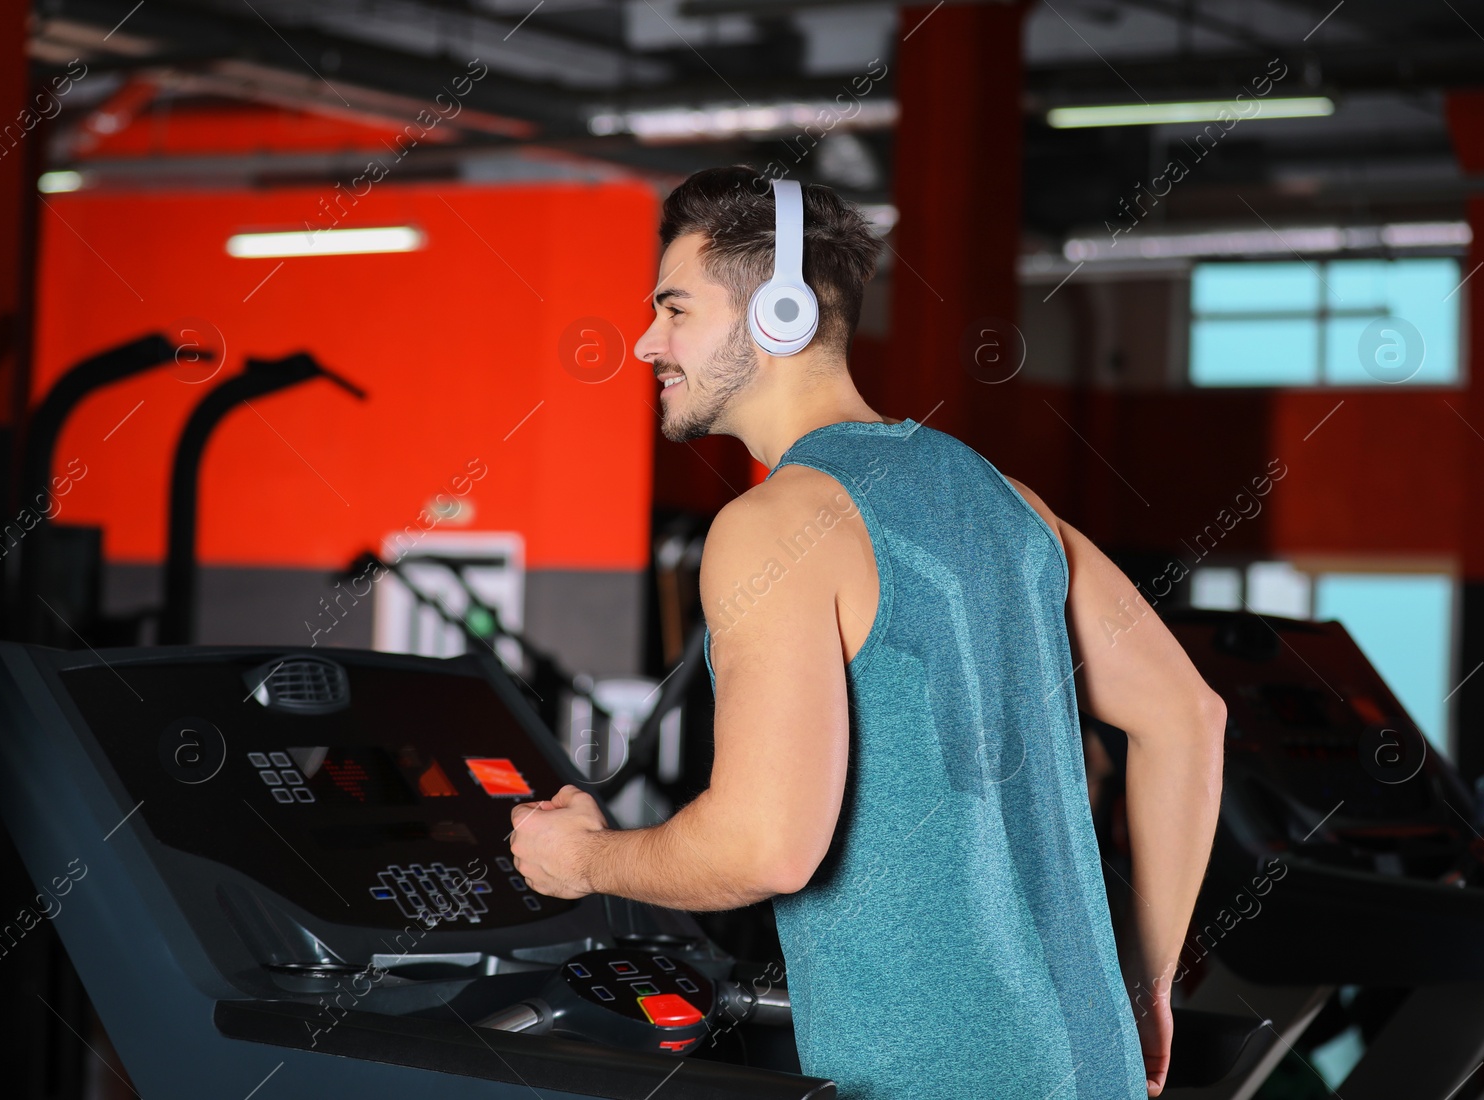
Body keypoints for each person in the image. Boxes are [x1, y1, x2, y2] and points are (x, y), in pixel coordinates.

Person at [508, 164, 1226, 1099]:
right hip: (1098, 1063)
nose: (646, 342)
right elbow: (1188, 717)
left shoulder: (774, 523)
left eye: (674, 308)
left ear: (780, 318)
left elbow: (766, 846)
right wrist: (1144, 978)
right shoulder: (1008, 503)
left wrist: (583, 861)